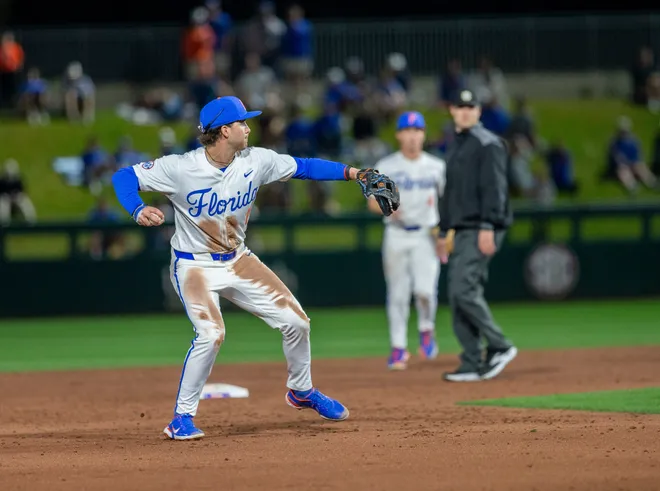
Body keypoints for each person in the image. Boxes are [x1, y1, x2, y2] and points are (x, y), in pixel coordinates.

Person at [111, 96, 398, 440]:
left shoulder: (255, 160)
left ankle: (301, 391)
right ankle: (181, 418)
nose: (248, 127)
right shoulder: (180, 168)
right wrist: (137, 209)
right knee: (211, 334)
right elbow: (124, 176)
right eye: (242, 122)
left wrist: (355, 173)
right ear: (223, 131)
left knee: (297, 323)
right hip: (194, 265)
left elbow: (304, 166)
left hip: (237, 258)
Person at [436, 89, 517, 383]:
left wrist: (487, 226)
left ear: (479, 111)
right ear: (452, 110)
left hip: (482, 226)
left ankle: (500, 345)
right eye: (460, 106)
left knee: (463, 290)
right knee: (459, 294)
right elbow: (450, 193)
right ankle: (471, 361)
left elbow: (496, 189)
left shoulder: (488, 143)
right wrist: (443, 230)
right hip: (463, 228)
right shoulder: (455, 145)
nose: (466, 111)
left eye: (471, 106)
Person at [367, 111, 446, 370]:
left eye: (417, 131)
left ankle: (426, 329)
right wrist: (386, 207)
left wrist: (446, 234)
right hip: (397, 234)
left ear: (423, 135)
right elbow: (371, 202)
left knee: (425, 292)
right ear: (399, 134)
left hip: (426, 234)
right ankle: (398, 348)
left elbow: (448, 202)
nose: (412, 136)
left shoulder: (437, 167)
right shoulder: (387, 165)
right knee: (398, 294)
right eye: (408, 131)